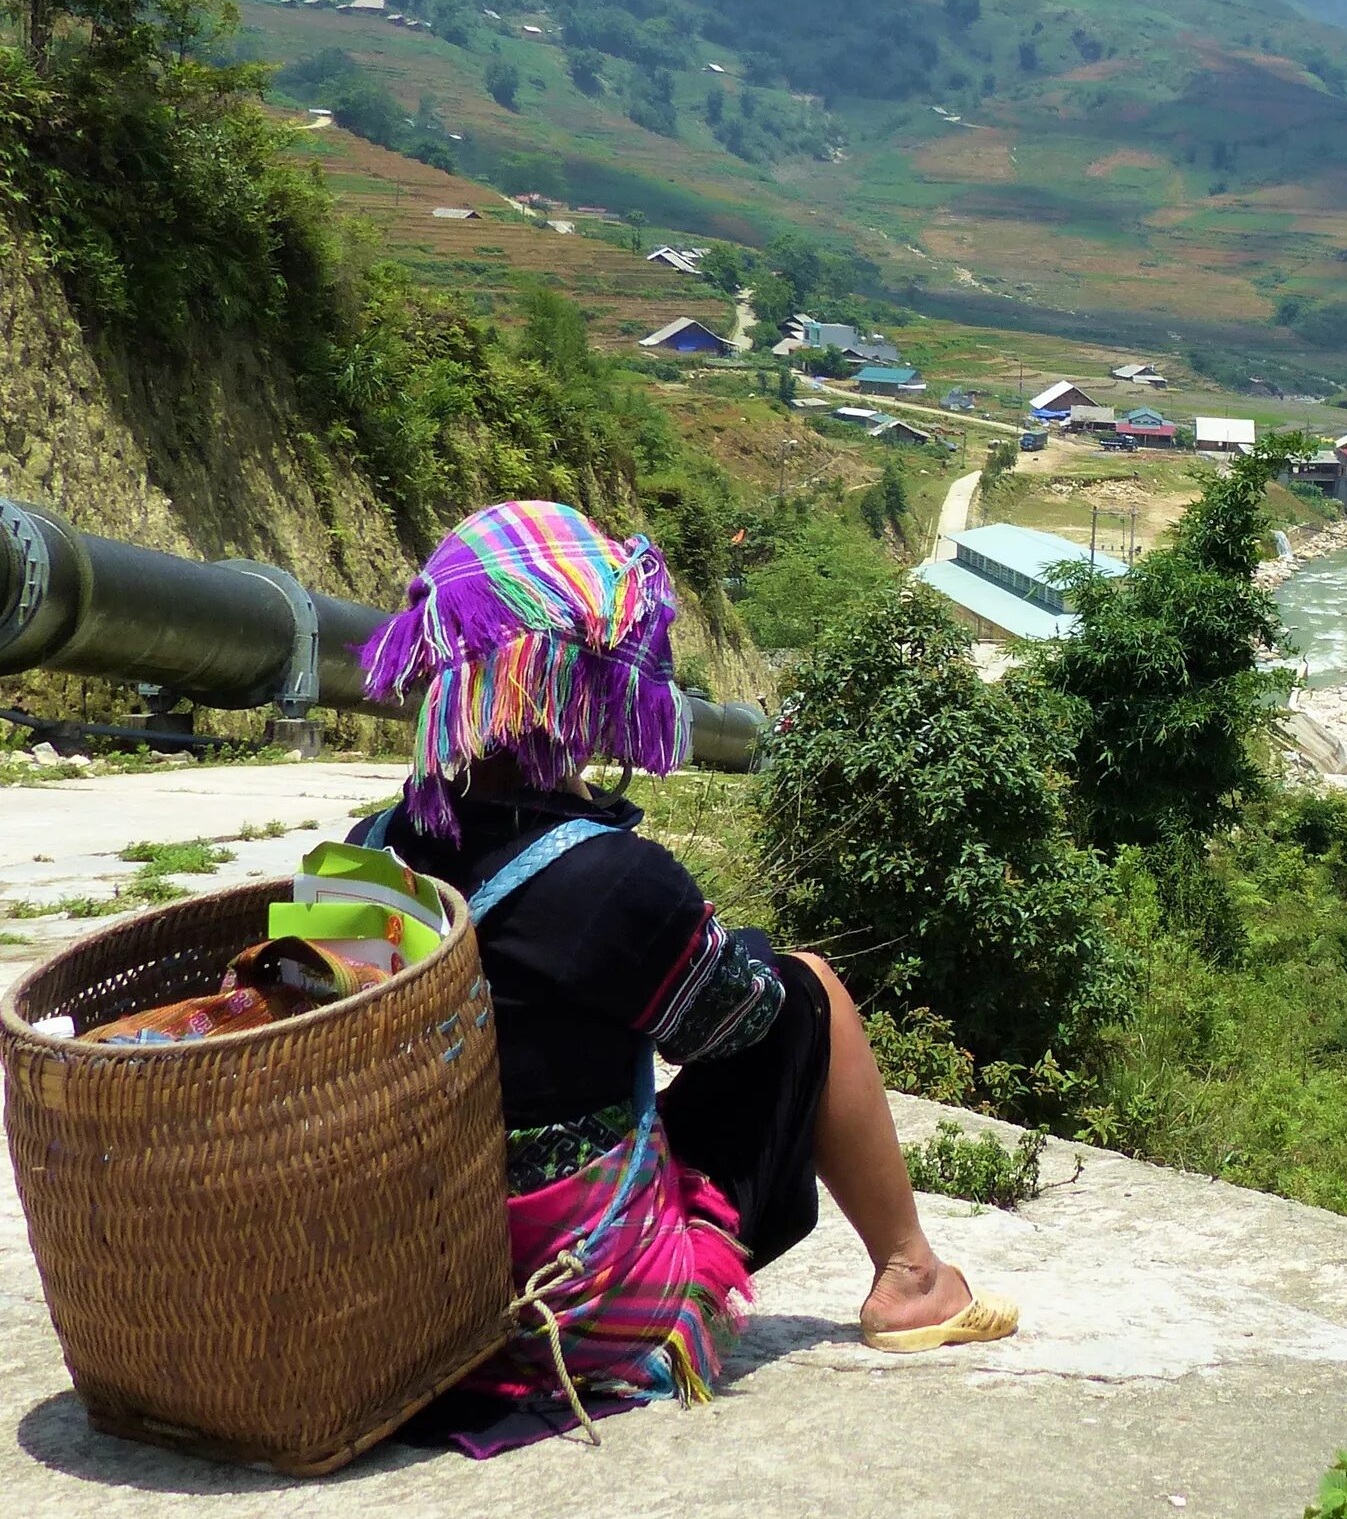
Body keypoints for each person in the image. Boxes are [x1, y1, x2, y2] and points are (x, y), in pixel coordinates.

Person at [351, 500, 1014, 1454]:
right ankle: (911, 1277)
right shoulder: (609, 879)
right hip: (561, 1306)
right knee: (808, 990)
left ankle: (911, 1277)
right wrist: (714, 939)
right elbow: (736, 1024)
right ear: (575, 683)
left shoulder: (370, 847)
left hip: (422, 1277)